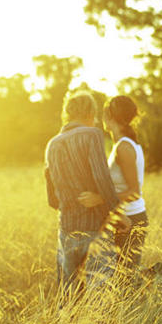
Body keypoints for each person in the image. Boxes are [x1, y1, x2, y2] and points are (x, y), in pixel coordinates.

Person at [44, 91, 130, 291]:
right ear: (91, 112)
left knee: (69, 295)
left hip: (66, 229)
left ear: (67, 113)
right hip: (95, 228)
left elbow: (52, 200)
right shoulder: (92, 135)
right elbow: (101, 177)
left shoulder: (52, 144)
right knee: (100, 295)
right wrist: (117, 212)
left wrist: (71, 203)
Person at [78, 95, 148, 273]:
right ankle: (151, 275)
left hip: (131, 218)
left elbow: (134, 192)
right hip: (121, 218)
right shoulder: (120, 145)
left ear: (109, 115)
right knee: (122, 275)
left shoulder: (124, 147)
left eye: (103, 114)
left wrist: (99, 199)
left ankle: (154, 276)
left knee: (126, 280)